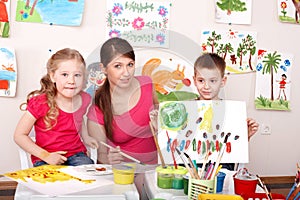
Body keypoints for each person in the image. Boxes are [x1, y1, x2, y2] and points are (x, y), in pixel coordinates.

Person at [14, 48, 98, 167]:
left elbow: (79, 120)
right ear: (53, 76)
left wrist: (86, 137)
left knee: (88, 177)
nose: (72, 81)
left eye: (77, 75)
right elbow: (19, 135)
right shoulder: (40, 103)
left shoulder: (84, 99)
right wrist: (46, 156)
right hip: (46, 157)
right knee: (52, 183)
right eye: (65, 74)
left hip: (76, 154)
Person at [87, 37, 158, 165]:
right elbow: (101, 158)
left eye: (130, 65)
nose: (126, 73)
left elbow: (166, 132)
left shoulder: (147, 84)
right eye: (118, 66)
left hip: (157, 169)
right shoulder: (98, 108)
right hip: (124, 174)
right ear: (103, 68)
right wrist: (109, 160)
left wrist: (160, 128)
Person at [193, 52, 259, 170]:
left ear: (222, 81)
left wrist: (245, 136)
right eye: (201, 80)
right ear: (194, 81)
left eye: (213, 81)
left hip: (222, 171)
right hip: (191, 170)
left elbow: (235, 148)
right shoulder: (187, 109)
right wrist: (159, 128)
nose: (206, 86)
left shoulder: (231, 113)